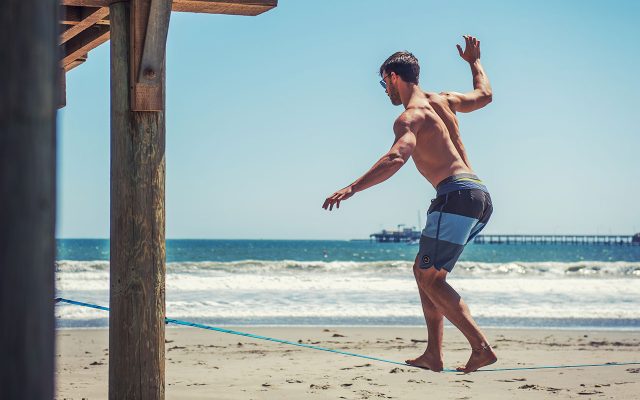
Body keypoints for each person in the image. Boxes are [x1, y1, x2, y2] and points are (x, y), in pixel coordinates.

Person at [322, 35, 496, 373]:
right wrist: (474, 62)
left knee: (430, 280)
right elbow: (484, 95)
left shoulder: (410, 117)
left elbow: (396, 157)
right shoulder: (443, 100)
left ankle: (480, 346)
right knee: (425, 272)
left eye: (383, 82)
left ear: (393, 76)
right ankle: (434, 354)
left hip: (455, 195)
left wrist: (353, 187)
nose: (385, 90)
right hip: (478, 195)